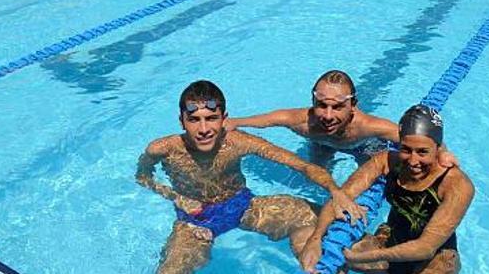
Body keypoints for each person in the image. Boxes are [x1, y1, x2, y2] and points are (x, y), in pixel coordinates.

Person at [136, 80, 365, 274]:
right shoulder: (162, 149)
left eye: (212, 118)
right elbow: (143, 177)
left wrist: (336, 192)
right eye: (194, 119)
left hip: (243, 206)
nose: (204, 129)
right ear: (181, 120)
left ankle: (320, 269)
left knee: (314, 219)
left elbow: (302, 166)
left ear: (224, 118)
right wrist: (177, 197)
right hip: (193, 221)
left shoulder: (237, 142)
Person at [300, 105, 474, 274]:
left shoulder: (456, 185)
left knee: (442, 266)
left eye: (422, 152)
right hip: (390, 240)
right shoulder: (387, 162)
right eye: (406, 149)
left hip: (435, 257)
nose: (413, 161)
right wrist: (316, 239)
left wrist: (365, 257)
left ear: (438, 149)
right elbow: (341, 197)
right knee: (310, 241)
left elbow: (426, 247)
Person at [226, 70, 458, 167]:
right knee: (316, 173)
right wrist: (236, 122)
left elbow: (420, 138)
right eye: (322, 106)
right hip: (321, 143)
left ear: (353, 106)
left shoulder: (369, 127)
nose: (328, 115)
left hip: (362, 147)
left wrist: (443, 152)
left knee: (369, 179)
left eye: (337, 107)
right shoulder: (304, 122)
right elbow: (269, 119)